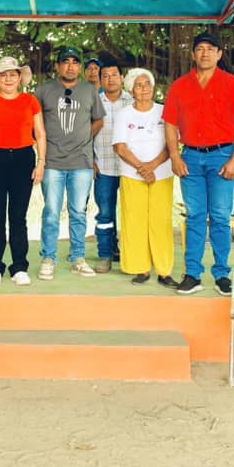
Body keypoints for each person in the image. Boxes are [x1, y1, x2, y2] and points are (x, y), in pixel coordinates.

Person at [163, 31, 234, 295]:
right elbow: (170, 124)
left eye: (211, 49)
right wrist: (175, 156)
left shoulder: (232, 84)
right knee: (196, 216)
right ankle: (193, 274)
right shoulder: (180, 86)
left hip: (222, 155)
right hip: (190, 157)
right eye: (200, 48)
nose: (205, 53)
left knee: (221, 216)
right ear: (193, 54)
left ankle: (222, 274)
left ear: (219, 54)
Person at [0, 57, 46, 286]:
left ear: (20, 78)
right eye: (3, 75)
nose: (8, 79)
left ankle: (19, 266)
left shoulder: (30, 101)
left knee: (18, 216)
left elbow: (40, 133)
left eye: (13, 74)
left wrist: (41, 163)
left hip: (23, 159)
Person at [35, 47, 105, 280]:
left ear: (80, 67)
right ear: (58, 66)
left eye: (75, 62)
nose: (71, 66)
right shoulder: (44, 90)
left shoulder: (89, 90)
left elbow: (99, 120)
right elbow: (34, 123)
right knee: (51, 212)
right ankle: (48, 258)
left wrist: (84, 139)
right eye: (65, 62)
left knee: (78, 212)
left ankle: (78, 259)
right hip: (52, 161)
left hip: (81, 162)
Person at [112, 68, 176, 287]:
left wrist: (152, 167)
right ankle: (141, 269)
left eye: (147, 84)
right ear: (131, 90)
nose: (144, 88)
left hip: (162, 174)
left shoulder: (164, 111)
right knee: (134, 221)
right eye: (138, 85)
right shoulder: (123, 114)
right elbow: (120, 147)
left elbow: (172, 144)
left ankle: (164, 271)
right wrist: (142, 168)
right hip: (132, 175)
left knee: (161, 221)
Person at [92, 61, 133, 273]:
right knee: (105, 214)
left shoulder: (133, 102)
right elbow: (85, 133)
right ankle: (105, 255)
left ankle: (133, 256)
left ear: (122, 78)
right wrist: (90, 161)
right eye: (105, 76)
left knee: (132, 212)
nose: (110, 79)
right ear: (100, 80)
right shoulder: (94, 102)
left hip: (131, 169)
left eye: (114, 75)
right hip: (103, 166)